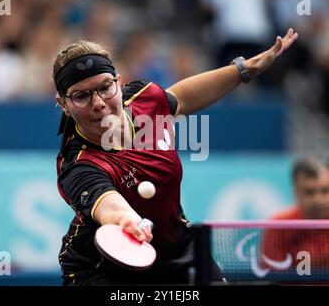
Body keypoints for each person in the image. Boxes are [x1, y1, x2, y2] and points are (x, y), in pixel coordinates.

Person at [53, 29, 298, 285]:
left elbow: (183, 96)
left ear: (118, 82)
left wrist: (248, 68)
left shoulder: (146, 99)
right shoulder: (79, 164)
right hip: (105, 270)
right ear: (64, 105)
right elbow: (110, 207)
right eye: (82, 96)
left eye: (105, 87)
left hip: (176, 252)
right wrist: (128, 221)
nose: (99, 103)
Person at [262, 155, 329, 271]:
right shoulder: (278, 226)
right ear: (295, 191)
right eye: (309, 192)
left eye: (325, 190)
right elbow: (273, 276)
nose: (318, 200)